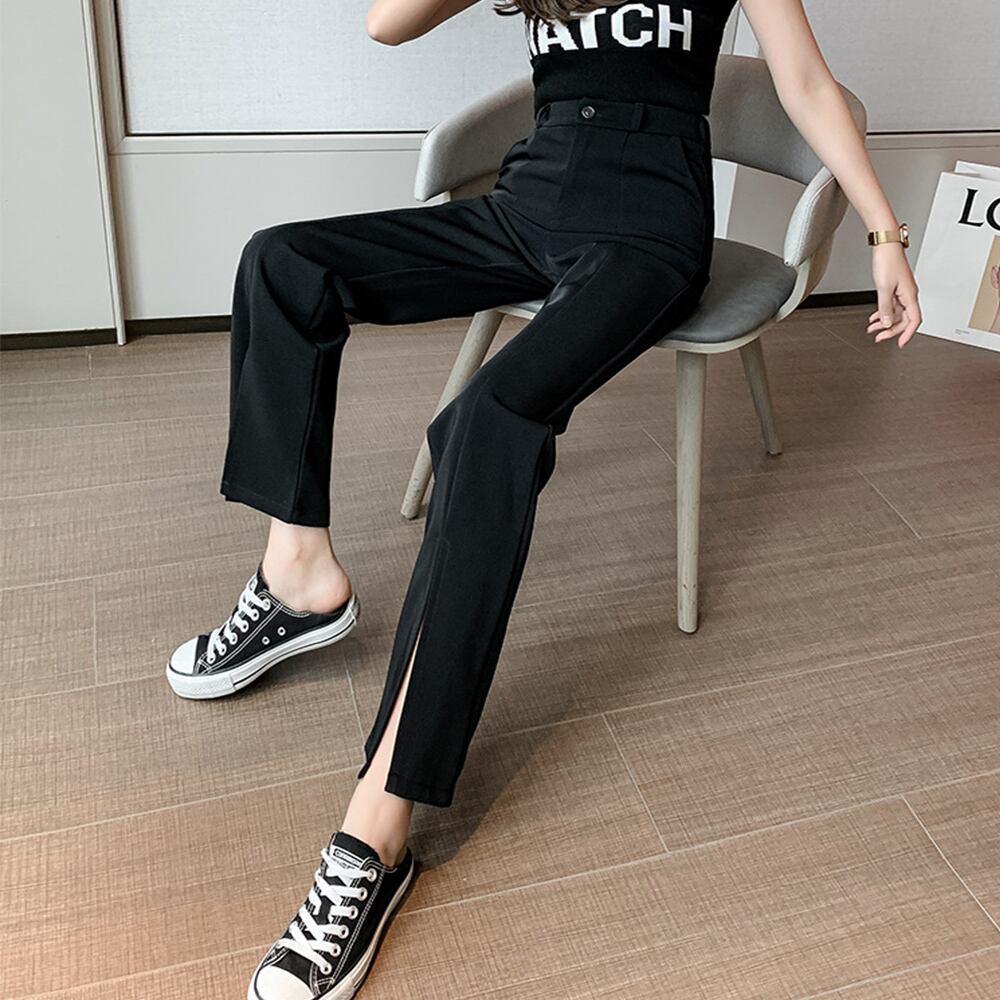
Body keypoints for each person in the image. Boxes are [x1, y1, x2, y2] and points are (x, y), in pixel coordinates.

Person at [166, 2, 923, 997]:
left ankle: (378, 830)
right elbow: (386, 24)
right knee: (282, 261)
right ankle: (297, 574)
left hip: (649, 226)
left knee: (488, 423)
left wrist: (882, 231)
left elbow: (808, 85)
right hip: (528, 201)